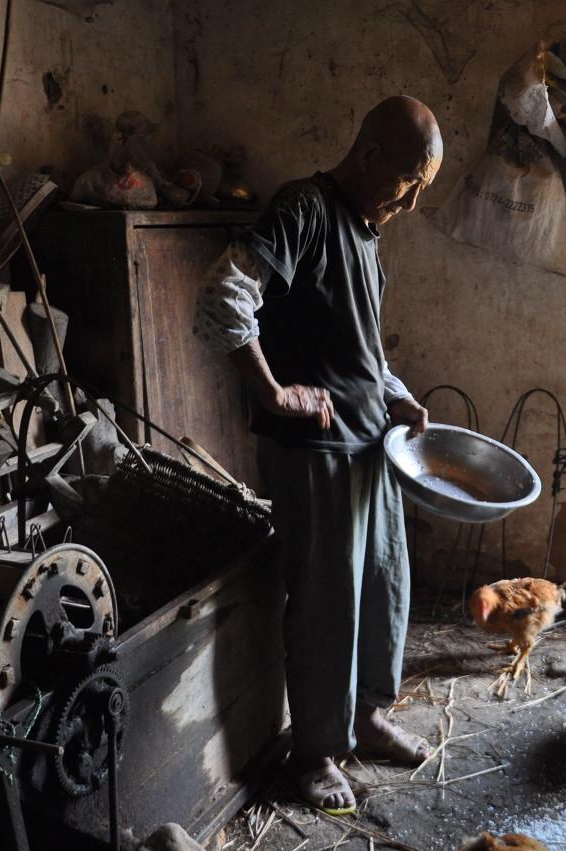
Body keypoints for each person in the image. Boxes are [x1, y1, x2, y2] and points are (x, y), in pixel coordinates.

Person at [192, 95, 442, 815]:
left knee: (384, 588)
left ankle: (364, 716)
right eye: (411, 180)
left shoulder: (367, 231)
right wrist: (272, 392)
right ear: (369, 156)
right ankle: (315, 750)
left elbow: (354, 343)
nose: (415, 199)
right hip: (317, 448)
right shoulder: (302, 208)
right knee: (327, 603)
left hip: (373, 441)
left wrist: (394, 390)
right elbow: (223, 297)